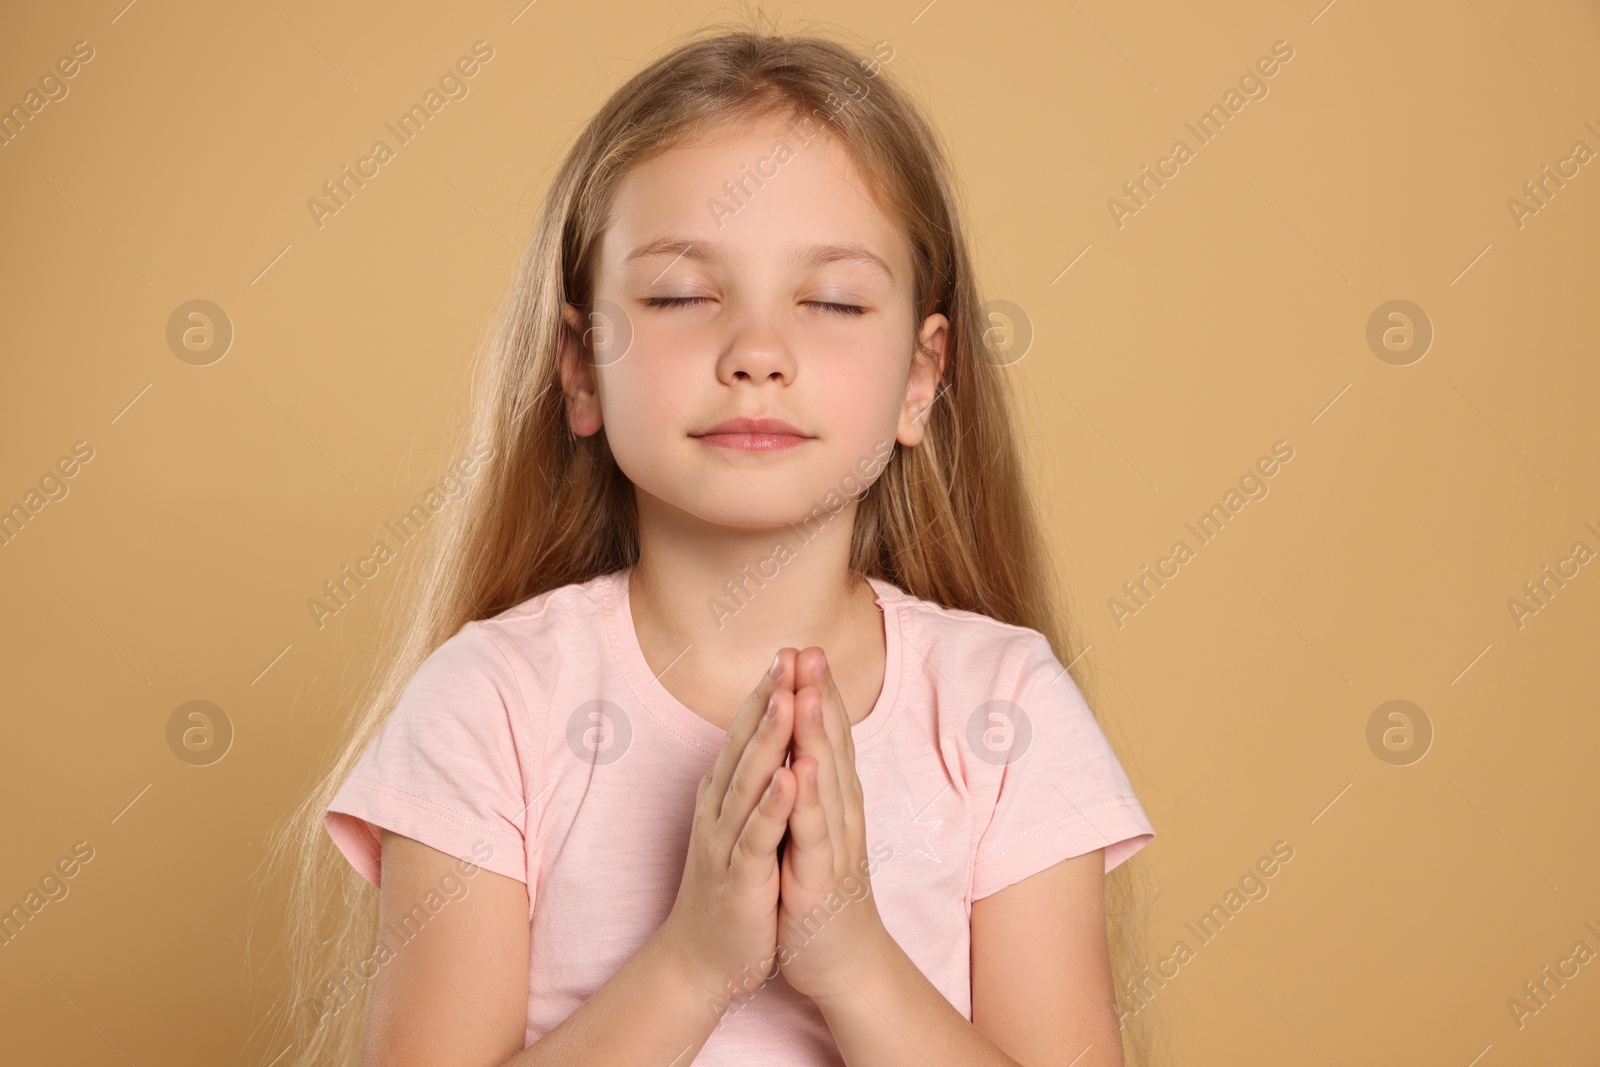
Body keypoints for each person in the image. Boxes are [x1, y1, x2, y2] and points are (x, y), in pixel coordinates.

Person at [265, 21, 1157, 1067]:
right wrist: (693, 960)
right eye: (683, 295)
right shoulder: (488, 705)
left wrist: (852, 957)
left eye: (829, 300)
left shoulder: (1004, 705)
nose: (757, 354)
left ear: (922, 377)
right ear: (583, 365)